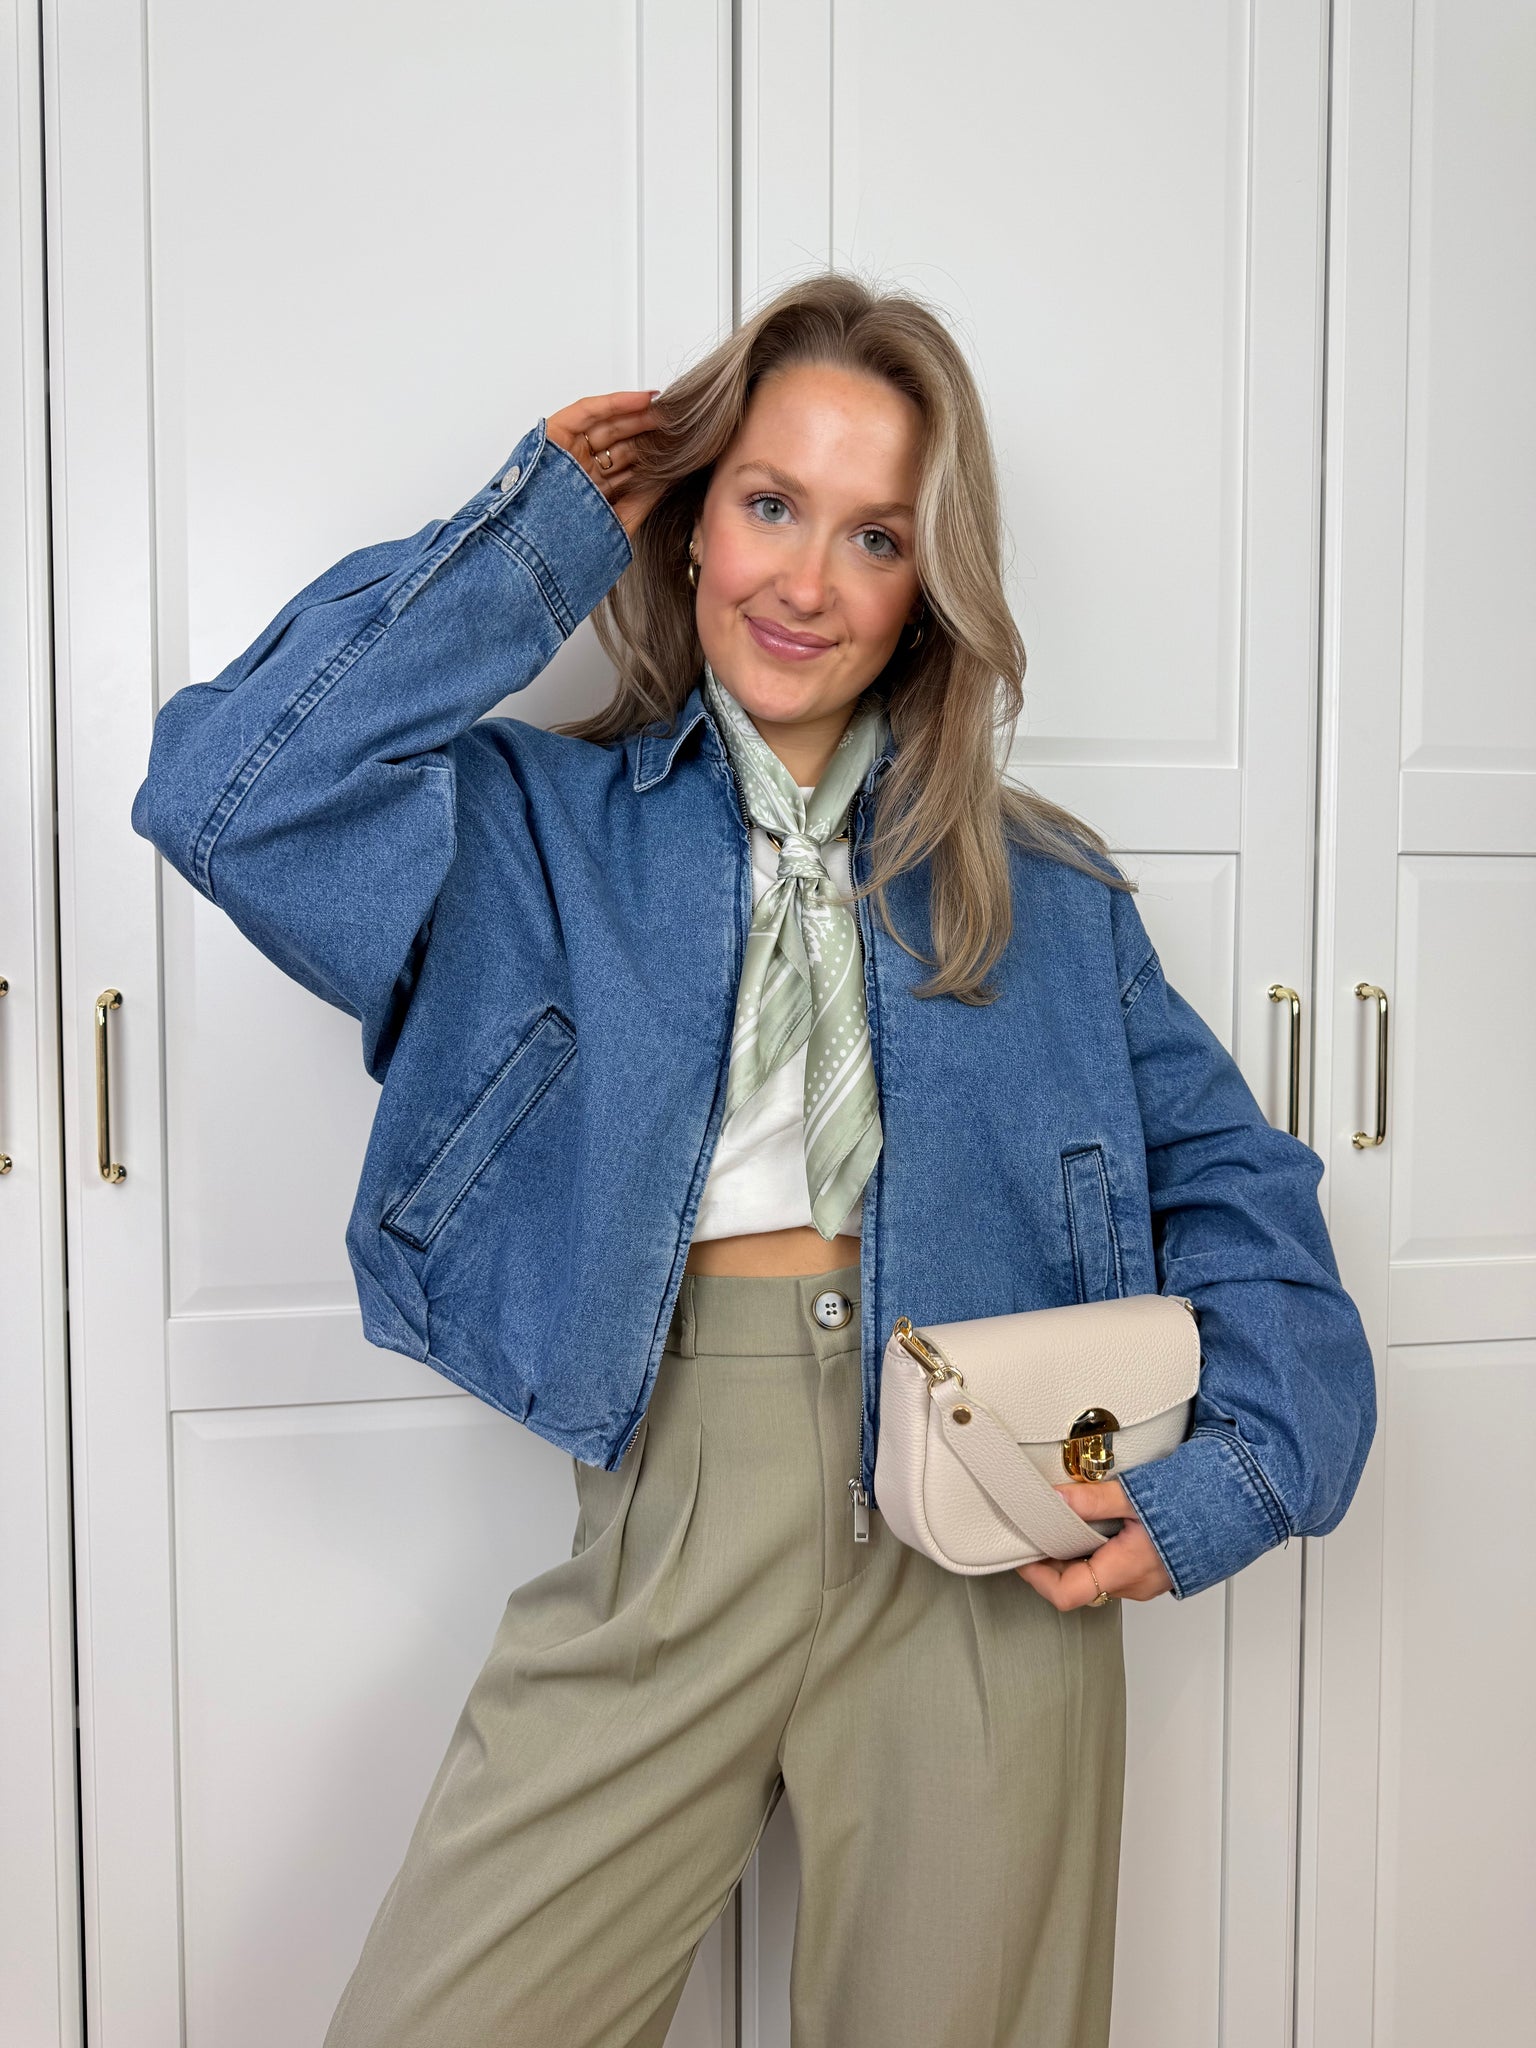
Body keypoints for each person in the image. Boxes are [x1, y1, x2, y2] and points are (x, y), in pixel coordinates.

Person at [130, 272, 1376, 2048]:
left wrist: (1233, 1483)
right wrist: (532, 541)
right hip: (674, 1512)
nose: (807, 582)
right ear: (692, 522)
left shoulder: (1049, 898)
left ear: (926, 589)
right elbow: (230, 794)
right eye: (772, 504)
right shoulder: (528, 833)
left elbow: (1243, 1194)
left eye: (875, 537)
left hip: (984, 1539)